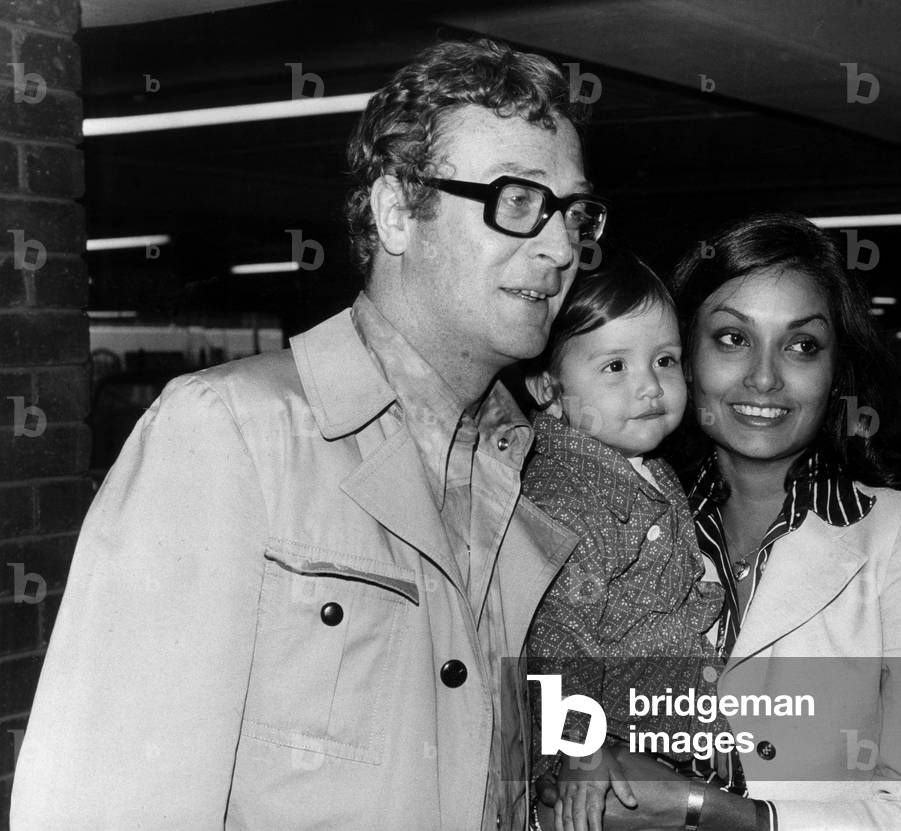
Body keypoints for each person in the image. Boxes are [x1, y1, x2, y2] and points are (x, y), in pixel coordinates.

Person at [11, 38, 611, 829]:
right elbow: (101, 806)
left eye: (573, 211)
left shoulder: (517, 468)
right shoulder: (230, 432)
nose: (562, 246)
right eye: (518, 200)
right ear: (397, 211)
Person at [577, 211, 901, 831]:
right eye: (732, 339)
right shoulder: (621, 526)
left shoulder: (900, 537)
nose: (765, 378)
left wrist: (706, 809)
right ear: (680, 358)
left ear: (834, 372)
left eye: (802, 345)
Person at [521, 253, 728, 831]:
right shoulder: (572, 496)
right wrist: (579, 748)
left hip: (656, 739)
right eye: (614, 366)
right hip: (609, 756)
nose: (650, 385)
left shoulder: (641, 465)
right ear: (547, 387)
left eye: (665, 360)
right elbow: (558, 635)